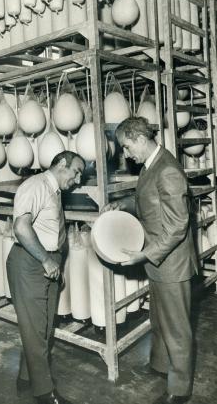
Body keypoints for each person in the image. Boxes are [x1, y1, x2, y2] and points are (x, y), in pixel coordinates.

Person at [110, 117, 198, 404]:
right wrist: (122, 205)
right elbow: (149, 204)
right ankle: (162, 365)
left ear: (138, 138)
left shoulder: (167, 170)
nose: (125, 154)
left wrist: (144, 254)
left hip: (171, 263)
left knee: (176, 327)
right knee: (160, 320)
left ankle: (180, 389)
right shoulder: (152, 166)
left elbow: (176, 226)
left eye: (125, 147)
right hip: (160, 262)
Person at [7, 151, 85, 404]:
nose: (78, 179)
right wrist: (46, 259)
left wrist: (55, 262)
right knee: (36, 331)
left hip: (47, 263)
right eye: (76, 171)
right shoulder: (35, 185)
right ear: (62, 164)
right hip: (30, 263)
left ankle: (25, 380)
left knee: (42, 330)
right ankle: (44, 393)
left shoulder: (53, 190)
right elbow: (21, 227)